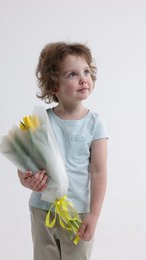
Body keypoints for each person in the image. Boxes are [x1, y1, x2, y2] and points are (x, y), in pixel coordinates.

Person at [18, 42, 108, 260]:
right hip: (42, 209)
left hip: (78, 212)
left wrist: (94, 215)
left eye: (86, 71)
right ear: (54, 86)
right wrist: (25, 179)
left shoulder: (95, 123)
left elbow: (99, 172)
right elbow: (25, 163)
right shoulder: (40, 121)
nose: (83, 78)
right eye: (72, 74)